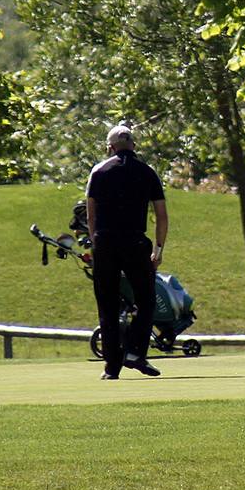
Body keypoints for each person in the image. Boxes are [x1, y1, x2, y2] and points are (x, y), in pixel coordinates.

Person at [84, 124, 169, 380]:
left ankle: (112, 367)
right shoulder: (147, 172)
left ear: (110, 148)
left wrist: (95, 243)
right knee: (146, 301)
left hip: (106, 243)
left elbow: (91, 214)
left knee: (107, 304)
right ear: (133, 145)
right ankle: (135, 352)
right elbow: (162, 216)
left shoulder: (98, 171)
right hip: (135, 243)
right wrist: (158, 249)